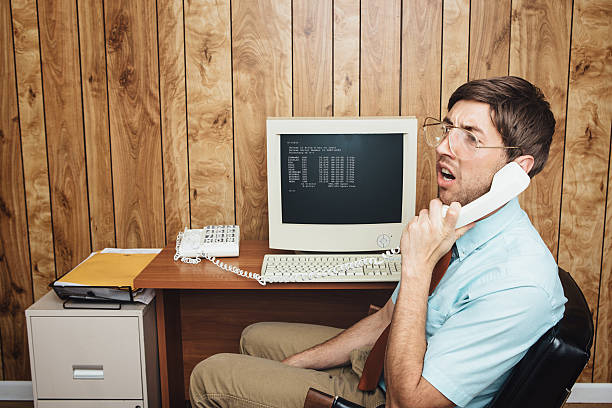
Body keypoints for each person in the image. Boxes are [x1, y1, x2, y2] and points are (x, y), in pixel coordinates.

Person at [189, 76, 566, 408]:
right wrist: (292, 368)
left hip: (393, 396)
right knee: (254, 339)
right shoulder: (456, 226)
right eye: (448, 128)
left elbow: (409, 403)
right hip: (381, 364)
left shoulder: (519, 282)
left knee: (209, 376)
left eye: (470, 137)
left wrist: (416, 266)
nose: (443, 147)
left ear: (517, 172)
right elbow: (388, 318)